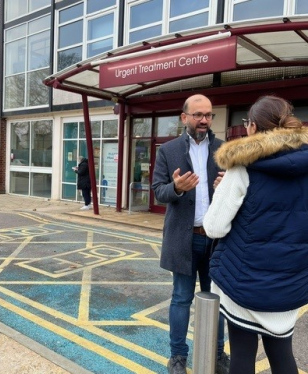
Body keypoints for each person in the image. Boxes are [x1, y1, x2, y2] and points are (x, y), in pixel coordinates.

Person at [203, 95, 308, 374]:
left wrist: (221, 192)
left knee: (242, 356)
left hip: (243, 282)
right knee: (283, 355)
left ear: (251, 128)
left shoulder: (241, 168)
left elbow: (214, 227)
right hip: (291, 281)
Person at [152, 94, 229, 374]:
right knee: (182, 298)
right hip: (184, 239)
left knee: (217, 299)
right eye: (198, 115)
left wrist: (227, 186)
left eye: (208, 115)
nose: (204, 120)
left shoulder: (224, 148)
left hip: (217, 239)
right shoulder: (168, 150)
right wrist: (178, 188)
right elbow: (159, 192)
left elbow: (239, 191)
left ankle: (218, 354)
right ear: (184, 117)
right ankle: (177, 357)